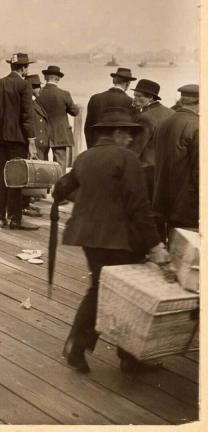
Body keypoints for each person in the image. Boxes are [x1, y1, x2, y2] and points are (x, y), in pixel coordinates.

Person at [52, 107, 169, 374]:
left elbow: (63, 188)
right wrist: (155, 244)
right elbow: (139, 206)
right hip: (119, 239)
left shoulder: (84, 157)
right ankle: (125, 356)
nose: (130, 139)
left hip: (88, 236)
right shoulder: (127, 158)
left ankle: (81, 346)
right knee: (126, 294)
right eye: (127, 134)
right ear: (116, 133)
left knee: (100, 288)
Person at [0, 52, 39, 230]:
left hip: (0, 139)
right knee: (15, 178)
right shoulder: (25, 85)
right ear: (24, 68)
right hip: (17, 140)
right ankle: (15, 219)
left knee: (1, 176)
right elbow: (27, 116)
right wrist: (31, 142)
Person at [152, 84, 199, 241]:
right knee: (187, 247)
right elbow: (200, 171)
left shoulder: (164, 123)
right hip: (187, 204)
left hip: (163, 199)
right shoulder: (197, 126)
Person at [129, 79, 174, 199]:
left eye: (139, 96)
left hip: (147, 170)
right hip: (167, 168)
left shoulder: (144, 117)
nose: (134, 99)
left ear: (150, 97)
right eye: (134, 95)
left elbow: (136, 148)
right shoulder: (172, 113)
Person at [37, 65, 79, 174]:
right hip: (60, 134)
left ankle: (44, 184)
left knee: (41, 164)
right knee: (60, 165)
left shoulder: (39, 93)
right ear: (58, 78)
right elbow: (75, 112)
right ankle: (59, 184)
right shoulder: (64, 94)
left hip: (42, 133)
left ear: (45, 77)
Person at [23, 74, 53, 217]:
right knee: (30, 175)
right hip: (34, 145)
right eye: (37, 87)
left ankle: (28, 202)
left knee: (33, 175)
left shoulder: (34, 102)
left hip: (39, 145)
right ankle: (25, 205)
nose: (40, 89)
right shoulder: (28, 103)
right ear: (31, 88)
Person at [84, 67, 137, 147]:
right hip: (119, 148)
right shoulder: (130, 102)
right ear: (128, 83)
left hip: (97, 146)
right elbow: (132, 130)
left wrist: (91, 148)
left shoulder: (95, 98)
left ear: (114, 81)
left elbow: (88, 128)